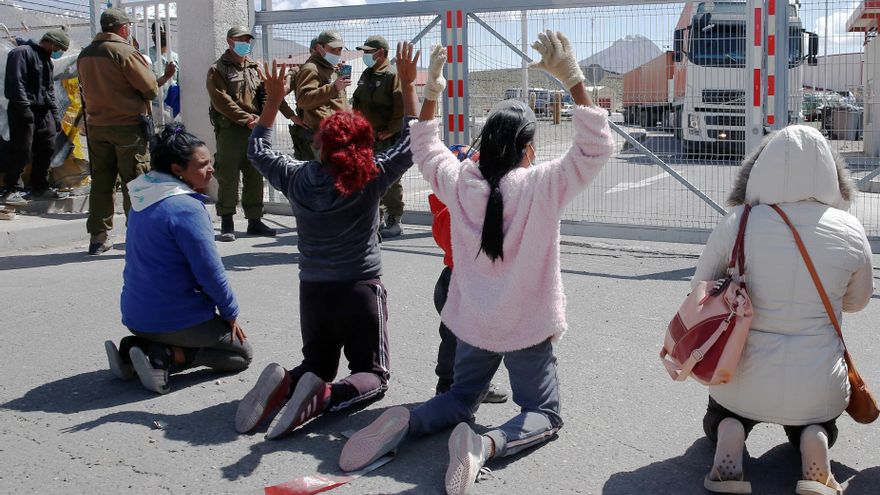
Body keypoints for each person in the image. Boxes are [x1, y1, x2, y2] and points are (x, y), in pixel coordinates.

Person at [338, 31, 614, 495]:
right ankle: (485, 446)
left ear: (485, 144)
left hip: (473, 323)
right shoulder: (543, 186)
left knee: (458, 398)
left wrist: (429, 94)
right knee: (543, 413)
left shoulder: (462, 181)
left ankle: (407, 421)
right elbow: (595, 147)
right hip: (528, 325)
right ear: (528, 148)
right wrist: (573, 80)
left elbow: (424, 148)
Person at [234, 42, 419, 441]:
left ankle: (287, 381)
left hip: (313, 291)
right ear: (362, 145)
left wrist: (273, 102)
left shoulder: (297, 177)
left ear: (318, 145)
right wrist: (407, 85)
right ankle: (324, 398)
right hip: (359, 289)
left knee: (317, 361)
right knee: (373, 374)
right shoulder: (369, 177)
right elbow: (412, 143)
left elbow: (258, 149)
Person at [690, 126, 873, 495]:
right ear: (831, 174)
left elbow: (700, 289)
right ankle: (813, 437)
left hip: (738, 374)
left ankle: (730, 431)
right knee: (816, 419)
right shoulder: (851, 230)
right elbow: (857, 301)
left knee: (722, 412)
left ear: (759, 169)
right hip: (817, 385)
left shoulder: (738, 222)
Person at [104, 124, 253, 394]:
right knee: (241, 355)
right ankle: (164, 356)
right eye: (203, 164)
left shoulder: (142, 198)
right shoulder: (186, 208)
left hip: (135, 316)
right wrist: (230, 313)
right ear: (177, 170)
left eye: (210, 162)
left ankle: (133, 351)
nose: (211, 169)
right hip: (172, 319)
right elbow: (209, 271)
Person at [77, 8, 159, 255]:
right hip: (127, 127)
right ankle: (138, 236)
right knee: (136, 182)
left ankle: (98, 238)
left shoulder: (85, 54)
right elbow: (150, 88)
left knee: (102, 183)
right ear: (123, 28)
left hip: (96, 127)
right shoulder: (123, 51)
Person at [431, 144, 507, 404]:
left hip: (462, 280)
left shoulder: (452, 205)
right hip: (459, 282)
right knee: (457, 339)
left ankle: (474, 384)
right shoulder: (449, 211)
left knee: (476, 339)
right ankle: (449, 385)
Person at [207, 26, 288, 242]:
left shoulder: (254, 67)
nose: (245, 43)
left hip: (255, 128)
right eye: (240, 39)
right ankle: (227, 222)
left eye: (247, 39)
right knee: (228, 175)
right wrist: (247, 119)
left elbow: (265, 93)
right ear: (229, 41)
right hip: (231, 130)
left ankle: (254, 220)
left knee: (255, 174)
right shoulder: (218, 69)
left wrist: (262, 119)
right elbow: (221, 100)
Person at [2, 29, 70, 206]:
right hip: (23, 109)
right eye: (59, 48)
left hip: (43, 110)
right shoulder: (21, 53)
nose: (59, 52)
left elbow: (49, 89)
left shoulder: (46, 58)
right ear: (52, 43)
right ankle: (12, 189)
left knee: (46, 147)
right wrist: (24, 108)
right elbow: (16, 82)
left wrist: (55, 116)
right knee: (21, 148)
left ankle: (40, 187)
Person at [352, 35, 406, 238]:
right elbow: (357, 102)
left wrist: (391, 130)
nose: (365, 55)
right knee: (369, 179)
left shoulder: (392, 76)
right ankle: (376, 217)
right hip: (367, 137)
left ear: (380, 52)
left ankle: (395, 219)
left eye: (368, 52)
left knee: (390, 180)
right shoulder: (367, 74)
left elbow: (401, 107)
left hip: (386, 138)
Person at [290, 29, 351, 162]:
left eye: (340, 49)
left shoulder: (330, 67)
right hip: (322, 137)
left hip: (336, 135)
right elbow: (303, 100)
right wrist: (333, 87)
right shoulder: (311, 69)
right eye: (333, 49)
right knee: (323, 178)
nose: (337, 53)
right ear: (319, 47)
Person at [287, 37, 317, 161]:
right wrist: (292, 116)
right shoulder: (298, 72)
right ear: (311, 50)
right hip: (308, 133)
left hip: (331, 134)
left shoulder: (334, 72)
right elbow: (276, 95)